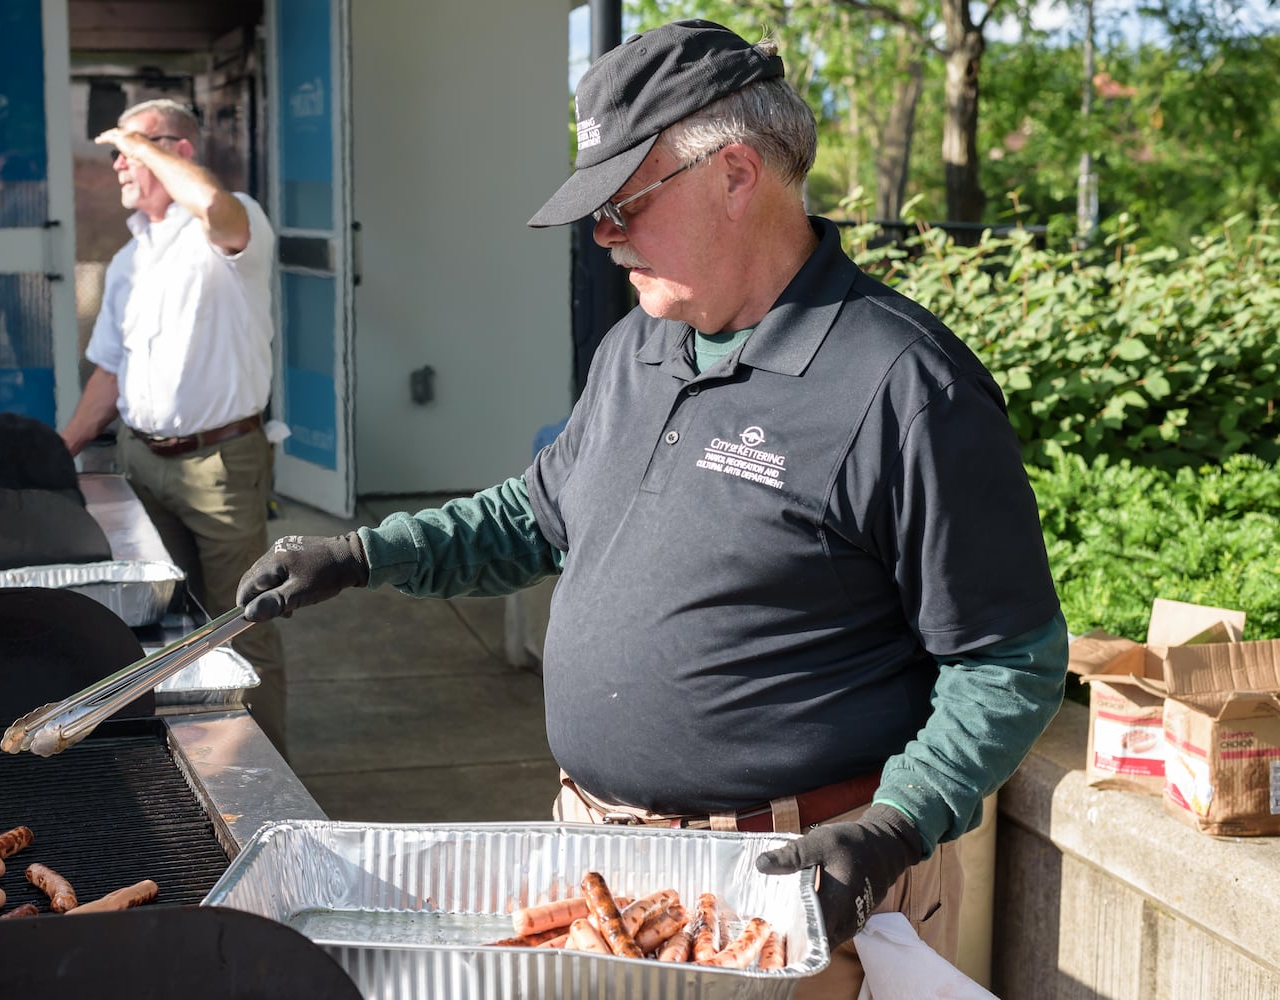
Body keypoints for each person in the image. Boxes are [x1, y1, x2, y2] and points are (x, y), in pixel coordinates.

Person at [235, 19, 1067, 997]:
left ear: (736, 176)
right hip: (600, 866)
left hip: (796, 889)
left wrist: (899, 819)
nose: (602, 232)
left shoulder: (899, 385)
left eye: (626, 200)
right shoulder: (641, 343)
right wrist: (365, 556)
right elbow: (537, 516)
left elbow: (1007, 660)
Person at [59, 97, 289, 757]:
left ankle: (267, 788)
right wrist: (60, 451)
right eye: (115, 156)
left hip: (220, 467)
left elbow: (217, 210)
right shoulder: (132, 258)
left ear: (177, 152)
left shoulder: (232, 224)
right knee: (160, 627)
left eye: (128, 152)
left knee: (242, 626)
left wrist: (144, 142)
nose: (117, 167)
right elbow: (109, 371)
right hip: (142, 463)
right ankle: (189, 758)